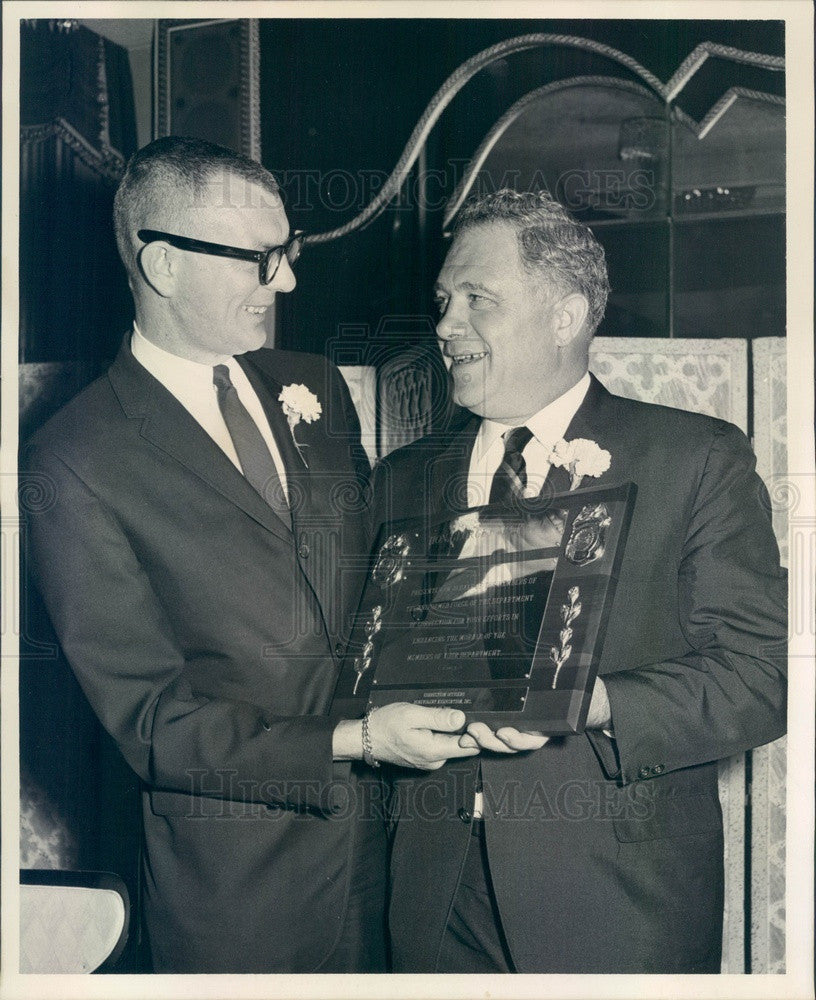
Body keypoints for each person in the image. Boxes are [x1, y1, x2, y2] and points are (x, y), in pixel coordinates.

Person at [20, 136, 477, 973]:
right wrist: (355, 740)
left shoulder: (315, 383)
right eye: (261, 259)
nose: (289, 282)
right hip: (240, 896)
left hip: (386, 861)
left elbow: (379, 587)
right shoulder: (73, 459)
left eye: (290, 252)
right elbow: (154, 723)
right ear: (161, 264)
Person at [371, 189, 787, 973]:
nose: (445, 325)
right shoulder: (401, 480)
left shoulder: (693, 460)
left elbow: (764, 677)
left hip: (620, 906)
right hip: (432, 898)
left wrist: (590, 701)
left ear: (565, 317)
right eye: (443, 300)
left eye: (476, 300)